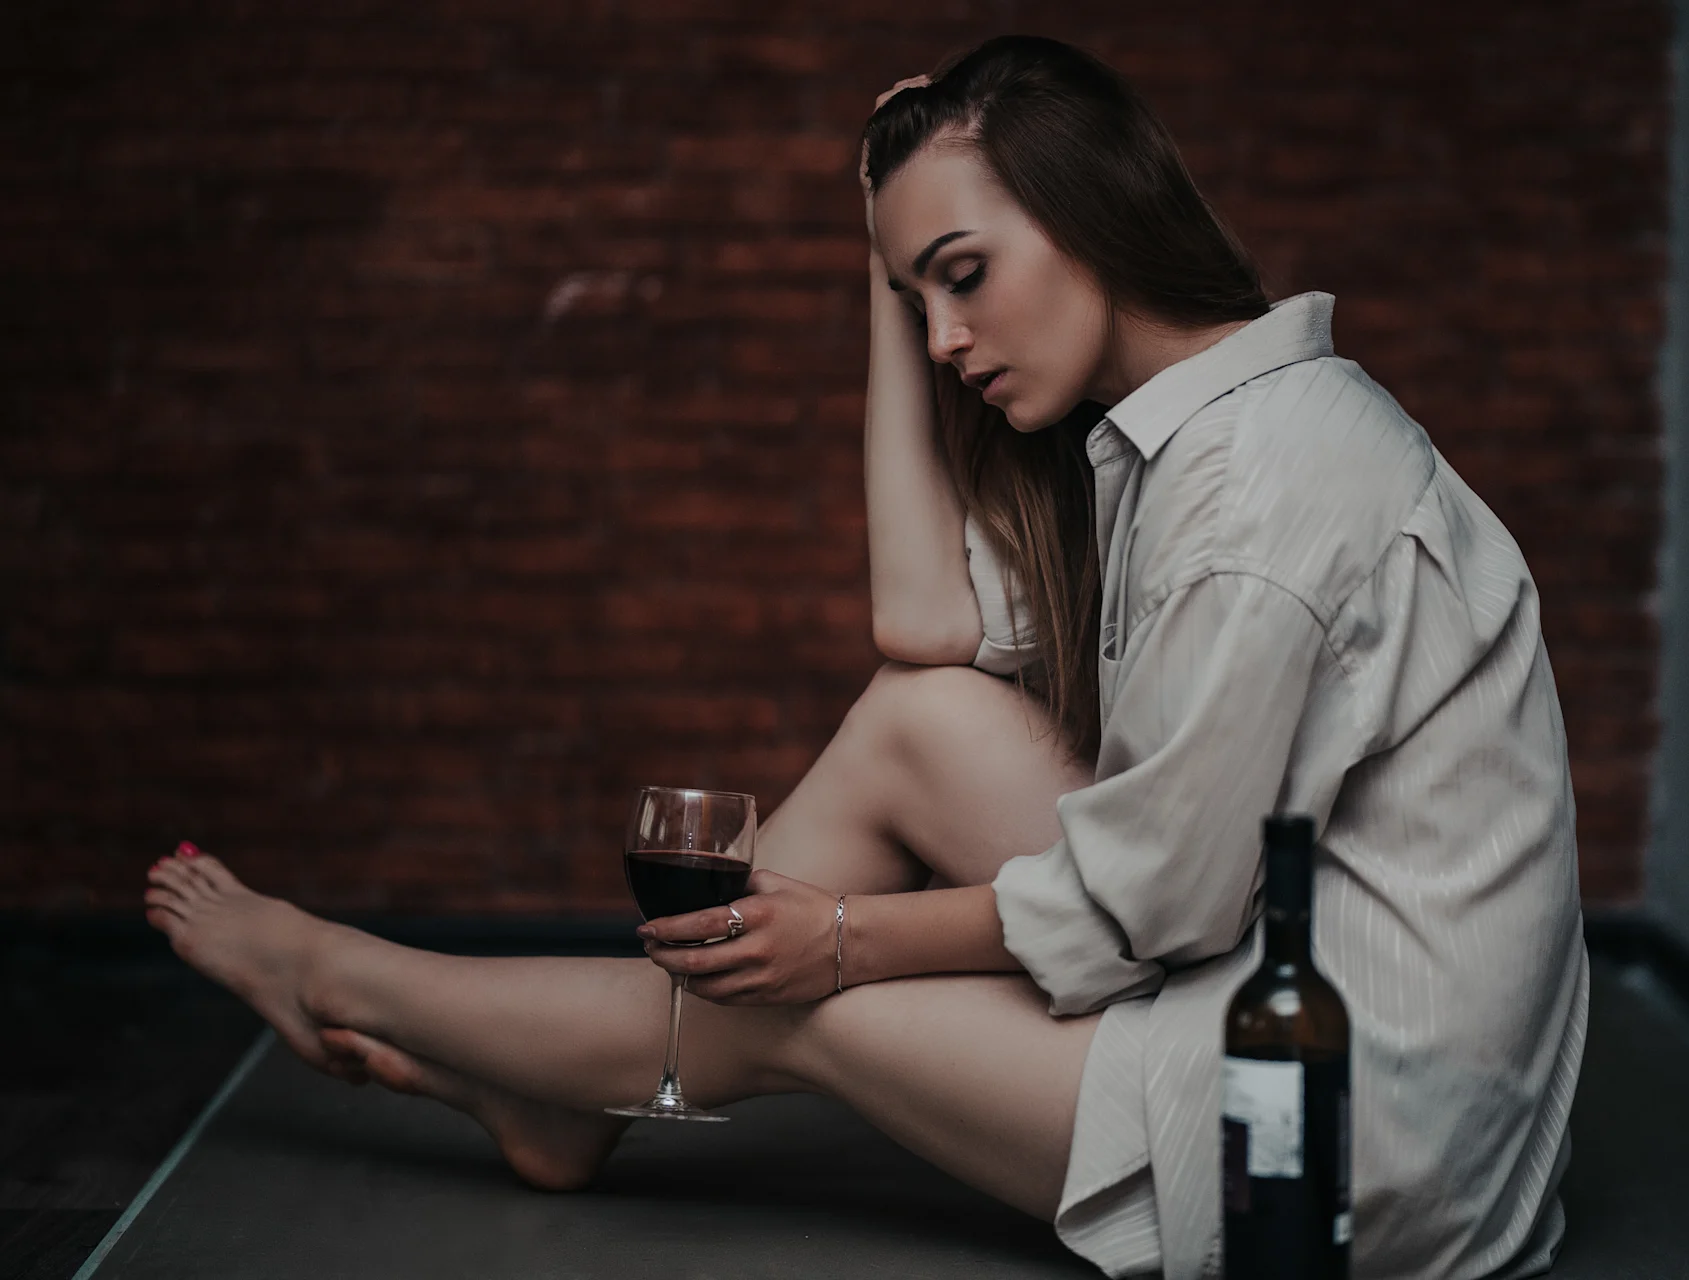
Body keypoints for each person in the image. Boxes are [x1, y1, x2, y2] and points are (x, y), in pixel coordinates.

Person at [144, 35, 1587, 1280]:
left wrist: (841, 942)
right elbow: (926, 633)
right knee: (920, 719)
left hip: (1344, 1133)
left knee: (803, 1007)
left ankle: (354, 978)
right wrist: (886, 267)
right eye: (920, 300)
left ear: (1090, 207)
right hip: (1287, 960)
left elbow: (1162, 902)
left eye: (966, 277)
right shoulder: (1189, 433)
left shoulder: (1255, 498)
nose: (950, 338)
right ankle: (568, 1104)